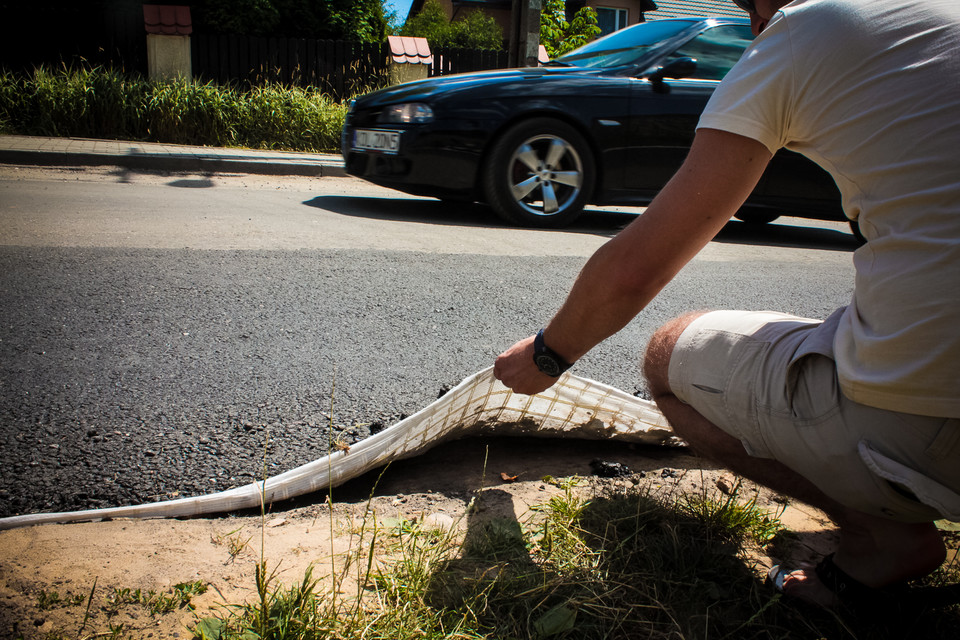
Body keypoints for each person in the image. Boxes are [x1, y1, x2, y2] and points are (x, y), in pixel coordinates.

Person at [493, 0, 960, 612]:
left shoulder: (804, 28)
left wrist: (548, 354)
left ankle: (885, 537)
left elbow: (639, 265)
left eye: (748, 9)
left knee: (666, 355)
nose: (752, 26)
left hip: (924, 433)